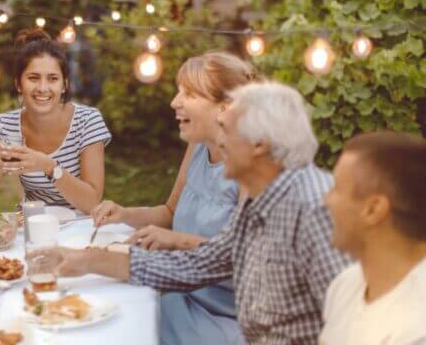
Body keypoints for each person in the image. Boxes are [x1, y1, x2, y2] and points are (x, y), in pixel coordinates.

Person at [41, 82, 350, 344]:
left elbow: (351, 319)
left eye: (226, 131)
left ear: (259, 144)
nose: (218, 141)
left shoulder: (314, 206)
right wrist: (86, 260)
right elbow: (198, 265)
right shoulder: (260, 201)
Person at [92, 51, 257, 344]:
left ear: (224, 107)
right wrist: (125, 213)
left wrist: (178, 241)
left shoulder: (251, 166)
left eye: (189, 94)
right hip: (183, 294)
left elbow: (246, 255)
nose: (174, 102)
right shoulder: (197, 147)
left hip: (229, 318)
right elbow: (170, 211)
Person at [0, 29, 111, 213]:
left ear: (64, 85)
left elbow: (92, 202)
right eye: (33, 78)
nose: (42, 88)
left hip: (80, 227)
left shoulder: (87, 121)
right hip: (30, 223)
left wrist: (48, 166)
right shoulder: (5, 125)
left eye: (52, 79)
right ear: (18, 84)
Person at [320, 132, 426, 345]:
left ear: (373, 209)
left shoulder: (417, 327)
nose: (326, 201)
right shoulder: (345, 287)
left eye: (337, 189)